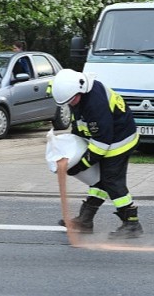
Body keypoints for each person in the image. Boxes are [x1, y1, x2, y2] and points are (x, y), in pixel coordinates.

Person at [51, 68, 142, 239]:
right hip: (107, 138)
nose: (71, 103)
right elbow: (79, 125)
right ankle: (85, 221)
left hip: (120, 140)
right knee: (98, 181)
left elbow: (102, 142)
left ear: (80, 90)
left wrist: (81, 165)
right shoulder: (78, 97)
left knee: (111, 180)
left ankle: (132, 224)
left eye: (72, 100)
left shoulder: (95, 103)